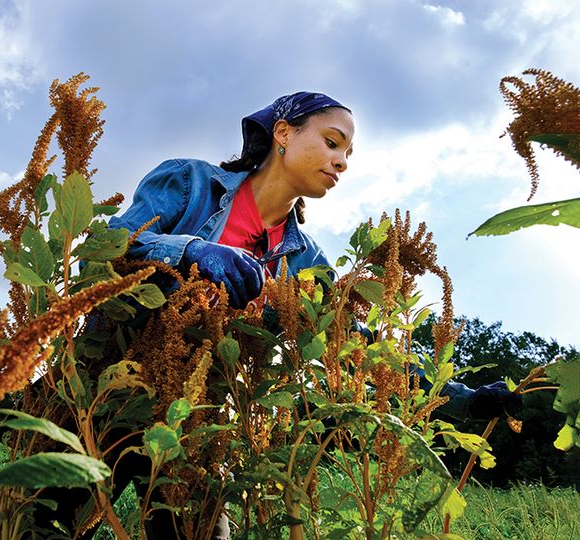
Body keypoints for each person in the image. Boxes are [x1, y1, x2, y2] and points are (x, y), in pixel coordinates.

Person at [36, 92, 519, 539]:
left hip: (195, 421)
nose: (341, 162)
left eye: (348, 155)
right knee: (42, 525)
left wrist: (462, 397)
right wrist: (190, 250)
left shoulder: (306, 262)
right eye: (333, 143)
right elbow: (110, 246)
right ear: (283, 134)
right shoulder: (190, 181)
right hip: (103, 395)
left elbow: (352, 341)